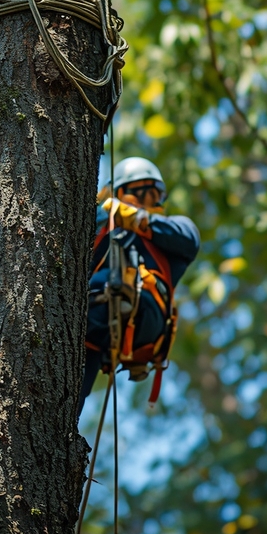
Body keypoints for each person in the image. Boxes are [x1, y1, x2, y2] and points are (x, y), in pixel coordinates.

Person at [82, 157, 199, 401]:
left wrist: (132, 217)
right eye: (140, 193)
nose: (149, 200)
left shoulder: (171, 231)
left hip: (142, 309)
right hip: (92, 322)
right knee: (70, 392)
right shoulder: (103, 227)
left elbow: (189, 239)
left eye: (151, 193)